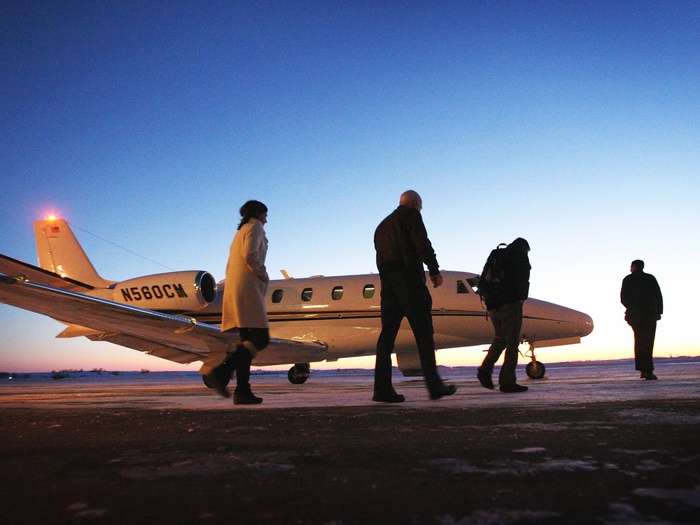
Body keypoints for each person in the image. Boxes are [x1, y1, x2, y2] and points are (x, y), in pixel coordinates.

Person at [372, 190, 457, 402]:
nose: (420, 210)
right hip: (408, 279)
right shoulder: (410, 216)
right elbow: (422, 243)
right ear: (415, 203)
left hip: (388, 283)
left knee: (387, 337)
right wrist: (434, 270)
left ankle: (382, 389)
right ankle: (434, 386)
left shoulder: (381, 226)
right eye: (420, 206)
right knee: (423, 332)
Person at [207, 200, 270, 404]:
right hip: (248, 288)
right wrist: (262, 273)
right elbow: (251, 254)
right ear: (258, 214)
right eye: (265, 215)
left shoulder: (240, 231)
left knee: (246, 343)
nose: (266, 220)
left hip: (237, 287)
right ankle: (221, 371)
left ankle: (242, 391)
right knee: (261, 338)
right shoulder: (255, 227)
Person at [476, 237, 531, 393]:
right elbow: (521, 282)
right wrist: (520, 299)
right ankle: (507, 382)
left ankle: (485, 370)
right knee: (512, 342)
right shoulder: (519, 257)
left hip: (492, 304)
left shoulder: (497, 254)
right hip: (510, 303)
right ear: (523, 248)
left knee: (500, 338)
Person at [620, 260, 663, 380]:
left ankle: (643, 370)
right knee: (648, 343)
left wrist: (632, 308)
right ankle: (648, 370)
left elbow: (623, 298)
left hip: (635, 316)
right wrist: (658, 312)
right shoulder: (650, 278)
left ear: (634, 267)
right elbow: (658, 296)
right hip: (649, 315)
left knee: (639, 342)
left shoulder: (628, 279)